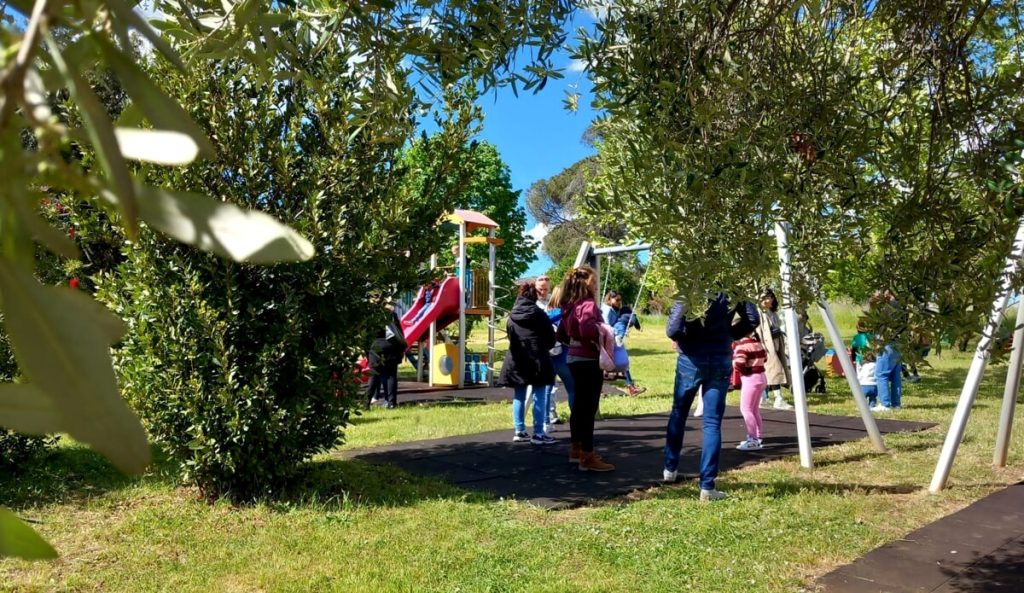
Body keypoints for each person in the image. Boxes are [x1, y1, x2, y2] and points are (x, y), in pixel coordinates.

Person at [662, 292, 759, 501]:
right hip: (720, 356)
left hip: (691, 357)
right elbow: (752, 319)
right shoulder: (732, 285)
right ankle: (707, 486)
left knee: (679, 412)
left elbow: (673, 329)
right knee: (712, 423)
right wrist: (729, 333)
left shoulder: (691, 283)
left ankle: (670, 468)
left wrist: (689, 336)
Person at [557, 266, 614, 471]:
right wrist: (602, 330)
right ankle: (587, 457)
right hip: (589, 359)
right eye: (595, 282)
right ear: (586, 284)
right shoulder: (588, 304)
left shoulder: (568, 305)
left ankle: (576, 448)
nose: (597, 286)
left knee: (579, 406)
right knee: (589, 408)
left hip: (572, 357)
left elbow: (561, 335)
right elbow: (587, 329)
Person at [499, 281, 557, 445]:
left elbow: (510, 335)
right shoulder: (539, 314)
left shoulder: (512, 316)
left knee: (519, 394)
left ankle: (519, 430)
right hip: (537, 358)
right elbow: (550, 338)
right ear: (534, 296)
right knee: (539, 394)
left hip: (517, 358)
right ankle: (538, 433)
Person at [754, 288, 795, 410]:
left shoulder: (772, 313)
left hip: (776, 344)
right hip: (767, 346)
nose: (769, 300)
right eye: (766, 297)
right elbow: (760, 332)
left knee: (770, 372)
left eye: (770, 297)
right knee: (773, 371)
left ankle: (763, 398)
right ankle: (777, 398)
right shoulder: (760, 313)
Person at [600, 290, 647, 396]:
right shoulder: (607, 310)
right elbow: (605, 327)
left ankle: (631, 387)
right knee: (606, 363)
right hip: (608, 338)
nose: (619, 302)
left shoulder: (615, 309)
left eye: (620, 300)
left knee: (622, 361)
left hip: (613, 338)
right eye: (617, 300)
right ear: (609, 299)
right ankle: (630, 387)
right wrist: (618, 333)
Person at [731, 325, 768, 451]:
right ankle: (758, 436)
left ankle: (752, 439)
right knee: (754, 409)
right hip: (762, 377)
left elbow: (739, 363)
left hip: (750, 379)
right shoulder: (758, 343)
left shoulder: (741, 346)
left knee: (746, 409)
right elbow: (765, 358)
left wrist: (742, 369)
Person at [544, 286, 574, 426]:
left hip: (548, 356)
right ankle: (576, 418)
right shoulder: (569, 314)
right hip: (565, 356)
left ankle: (548, 418)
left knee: (547, 389)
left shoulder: (547, 315)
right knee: (572, 389)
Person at [366, 305, 406, 409]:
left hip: (375, 346)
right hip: (391, 345)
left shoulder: (369, 315)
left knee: (374, 375)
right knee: (391, 375)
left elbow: (365, 335)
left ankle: (366, 403)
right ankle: (392, 403)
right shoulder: (391, 314)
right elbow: (399, 332)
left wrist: (367, 352)